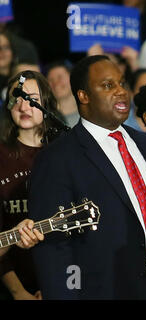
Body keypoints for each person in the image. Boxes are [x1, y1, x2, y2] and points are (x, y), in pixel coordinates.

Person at [28, 55, 146, 299]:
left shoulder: (145, 143)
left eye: (122, 83)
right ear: (83, 96)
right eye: (107, 85)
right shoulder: (57, 158)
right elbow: (53, 247)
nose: (121, 92)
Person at [0, 70, 58, 300]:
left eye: (32, 98)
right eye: (17, 99)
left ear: (46, 103)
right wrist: (18, 291)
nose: (24, 107)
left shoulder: (64, 153)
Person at [46, 61, 80, 128]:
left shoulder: (90, 116)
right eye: (51, 80)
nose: (55, 83)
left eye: (60, 77)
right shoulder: (46, 120)